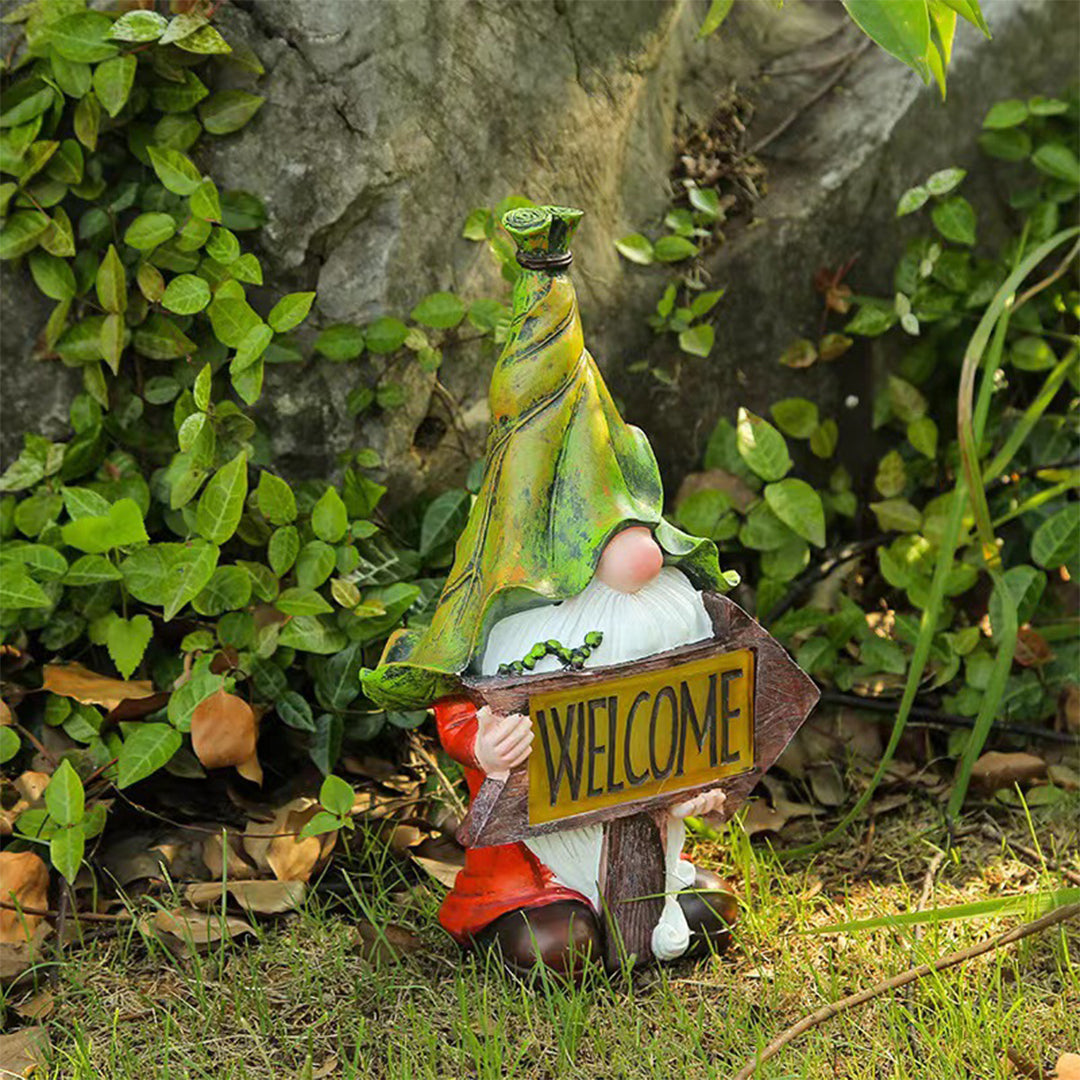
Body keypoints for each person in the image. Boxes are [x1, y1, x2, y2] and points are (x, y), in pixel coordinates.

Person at [364, 206, 739, 977]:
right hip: (533, 861)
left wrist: (696, 783)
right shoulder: (510, 627)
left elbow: (690, 722)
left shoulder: (666, 615)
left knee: (707, 912)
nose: (631, 558)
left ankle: (646, 903)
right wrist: (482, 743)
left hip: (644, 839)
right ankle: (567, 914)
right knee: (553, 944)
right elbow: (462, 704)